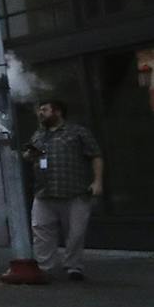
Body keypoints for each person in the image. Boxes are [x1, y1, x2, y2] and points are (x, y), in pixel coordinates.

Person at [27, 99, 102, 281]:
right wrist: (30, 155)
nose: (40, 113)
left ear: (57, 111)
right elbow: (29, 155)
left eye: (44, 109)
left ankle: (73, 266)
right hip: (44, 192)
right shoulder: (38, 135)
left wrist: (97, 181)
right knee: (41, 230)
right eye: (39, 110)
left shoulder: (77, 132)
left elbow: (95, 155)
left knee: (75, 232)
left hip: (74, 191)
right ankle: (45, 267)